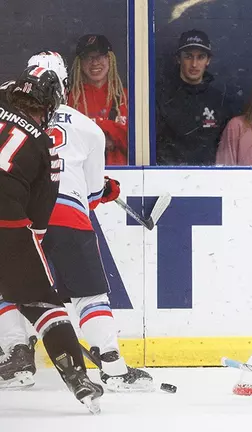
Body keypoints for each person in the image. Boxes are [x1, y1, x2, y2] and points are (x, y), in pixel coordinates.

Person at [30, 51, 152, 391]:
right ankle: (112, 368)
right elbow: (92, 195)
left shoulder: (9, 121)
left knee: (16, 289)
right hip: (69, 217)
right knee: (90, 296)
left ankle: (15, 356)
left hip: (23, 219)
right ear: (65, 85)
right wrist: (106, 191)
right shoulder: (88, 127)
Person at [0, 65, 103, 412]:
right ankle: (78, 378)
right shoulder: (48, 150)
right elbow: (38, 224)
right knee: (42, 303)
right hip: (9, 221)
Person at [156, 29, 234, 165]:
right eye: (188, 56)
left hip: (208, 179)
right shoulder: (161, 96)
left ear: (208, 60)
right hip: (168, 178)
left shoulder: (219, 101)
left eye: (200, 57)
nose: (194, 64)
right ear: (178, 59)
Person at [69, 34, 129, 166]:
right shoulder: (70, 99)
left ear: (110, 59)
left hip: (124, 177)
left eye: (100, 56)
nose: (95, 62)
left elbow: (136, 144)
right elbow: (67, 144)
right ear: (80, 63)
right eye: (88, 57)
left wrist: (99, 126)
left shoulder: (127, 97)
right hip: (82, 177)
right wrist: (110, 133)